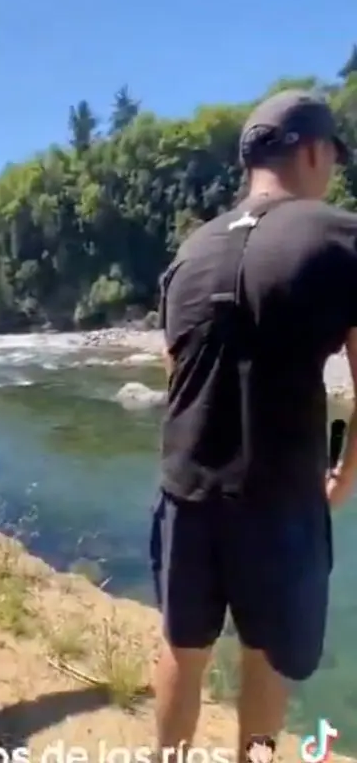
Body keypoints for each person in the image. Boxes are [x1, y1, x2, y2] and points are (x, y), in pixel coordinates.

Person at [153, 89, 357, 758]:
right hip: (280, 502)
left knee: (182, 648)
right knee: (266, 658)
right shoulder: (341, 237)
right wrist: (345, 476)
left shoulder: (189, 251)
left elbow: (174, 370)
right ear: (314, 152)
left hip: (184, 490)